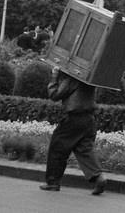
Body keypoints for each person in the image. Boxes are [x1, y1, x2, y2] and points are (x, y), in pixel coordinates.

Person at [42, 67, 107, 195]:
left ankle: (52, 182)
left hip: (73, 118)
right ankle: (98, 178)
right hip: (89, 119)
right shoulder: (89, 77)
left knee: (58, 148)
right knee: (84, 149)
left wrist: (54, 76)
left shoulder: (73, 78)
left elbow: (54, 95)